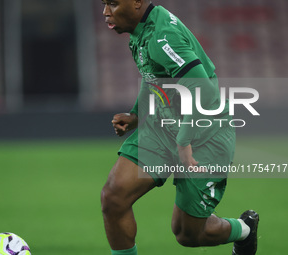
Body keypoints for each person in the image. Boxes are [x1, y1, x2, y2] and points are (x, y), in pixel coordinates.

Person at [100, 1, 259, 255]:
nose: (106, 11)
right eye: (104, 3)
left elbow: (203, 90)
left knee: (188, 234)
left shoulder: (163, 37)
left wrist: (184, 143)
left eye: (114, 3)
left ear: (137, 2)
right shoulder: (140, 33)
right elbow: (152, 77)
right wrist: (136, 115)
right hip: (162, 129)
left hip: (205, 135)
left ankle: (244, 229)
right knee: (114, 197)